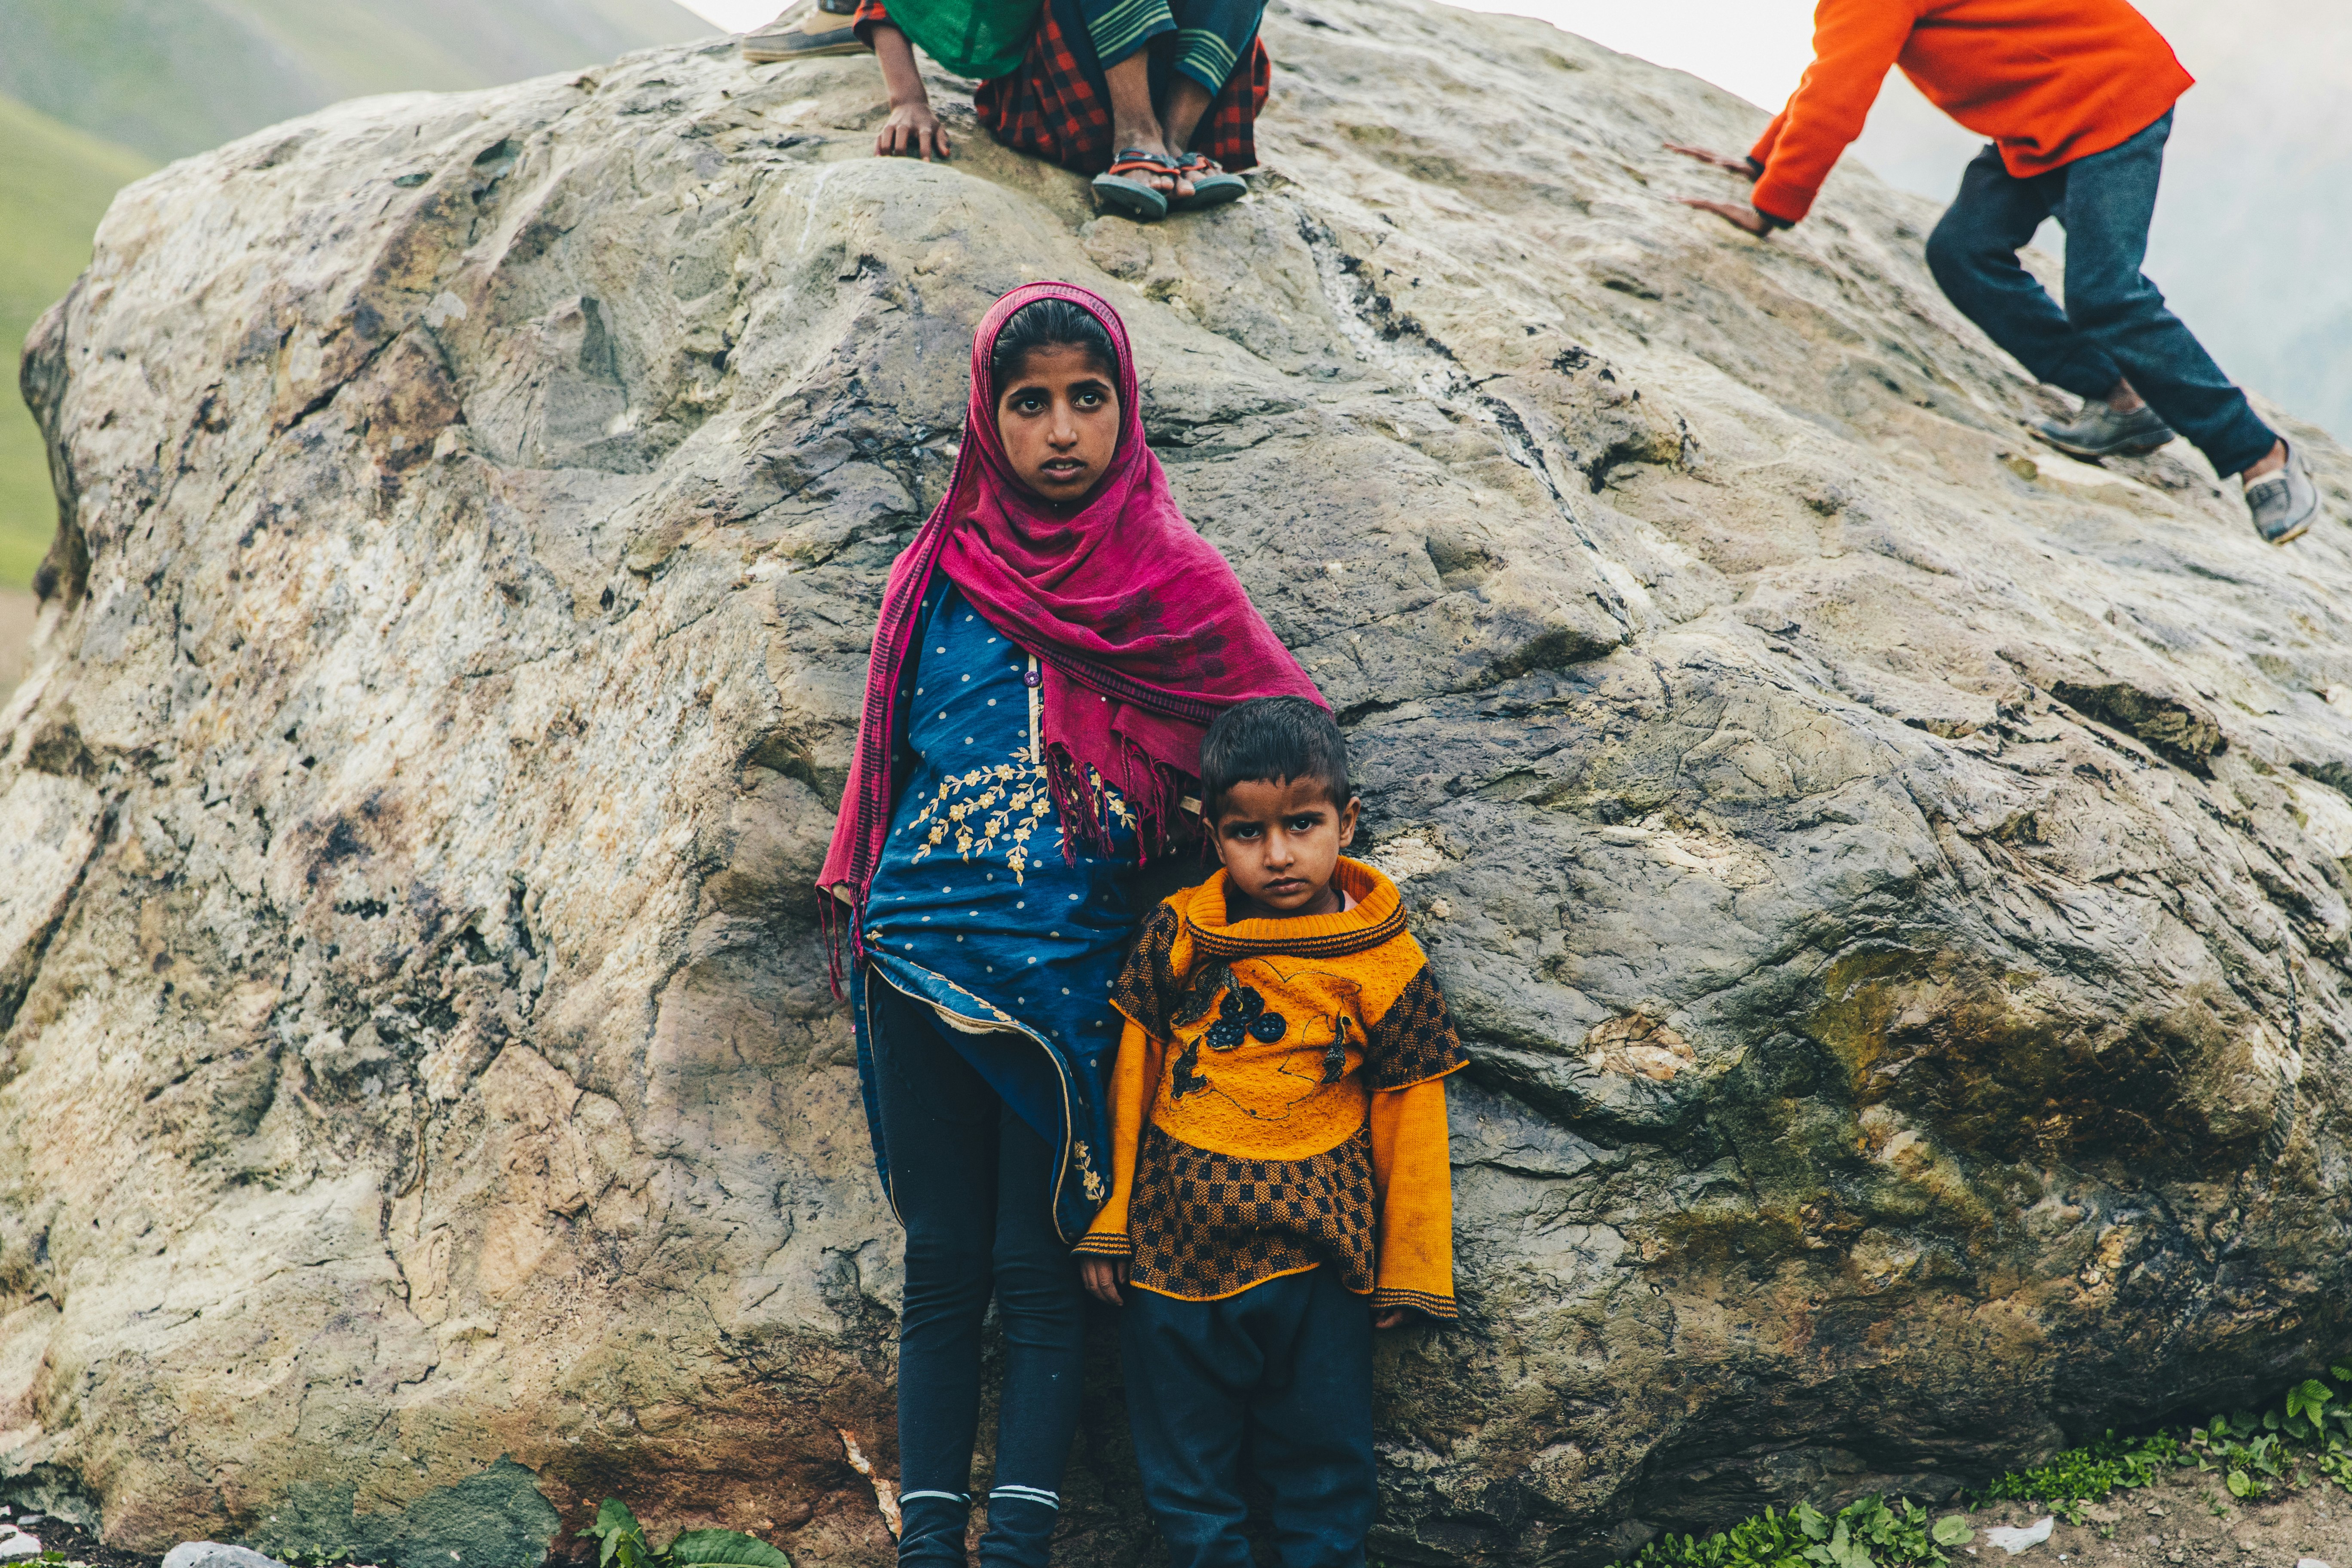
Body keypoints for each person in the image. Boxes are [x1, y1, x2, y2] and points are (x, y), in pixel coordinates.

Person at [817, 282, 1323, 1568]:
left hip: (1072, 975)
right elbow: (891, 760)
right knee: (941, 1262)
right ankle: (930, 1545)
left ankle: (1018, 1549)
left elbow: (1277, 733)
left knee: (1040, 1266)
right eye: (1027, 400)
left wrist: (1220, 879)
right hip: (918, 949)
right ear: (988, 418)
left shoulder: (1169, 574)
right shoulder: (936, 573)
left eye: (1085, 400)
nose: (1058, 428)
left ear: (1125, 408)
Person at [1669, 0, 2324, 547]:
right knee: (1964, 251)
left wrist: (1771, 209)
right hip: (2043, 113)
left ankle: (2261, 456)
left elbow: (1840, 96)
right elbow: (1837, 71)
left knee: (2107, 295)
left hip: (2106, 96)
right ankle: (2122, 400)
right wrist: (1765, 164)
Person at [1075, 696, 1467, 1568]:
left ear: (1346, 821)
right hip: (1174, 1260)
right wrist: (1109, 1221)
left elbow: (1413, 1110)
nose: (1279, 854)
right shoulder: (1181, 934)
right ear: (1214, 836)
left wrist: (1410, 1266)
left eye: (1303, 825)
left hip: (1319, 1270)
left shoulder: (1382, 958)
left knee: (1326, 1478)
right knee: (1187, 1485)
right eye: (1248, 832)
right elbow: (1130, 1079)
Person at [838, 0, 1266, 220]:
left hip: (1186, 100)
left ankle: (1174, 146)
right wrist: (908, 101)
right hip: (1061, 97)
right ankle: (1138, 140)